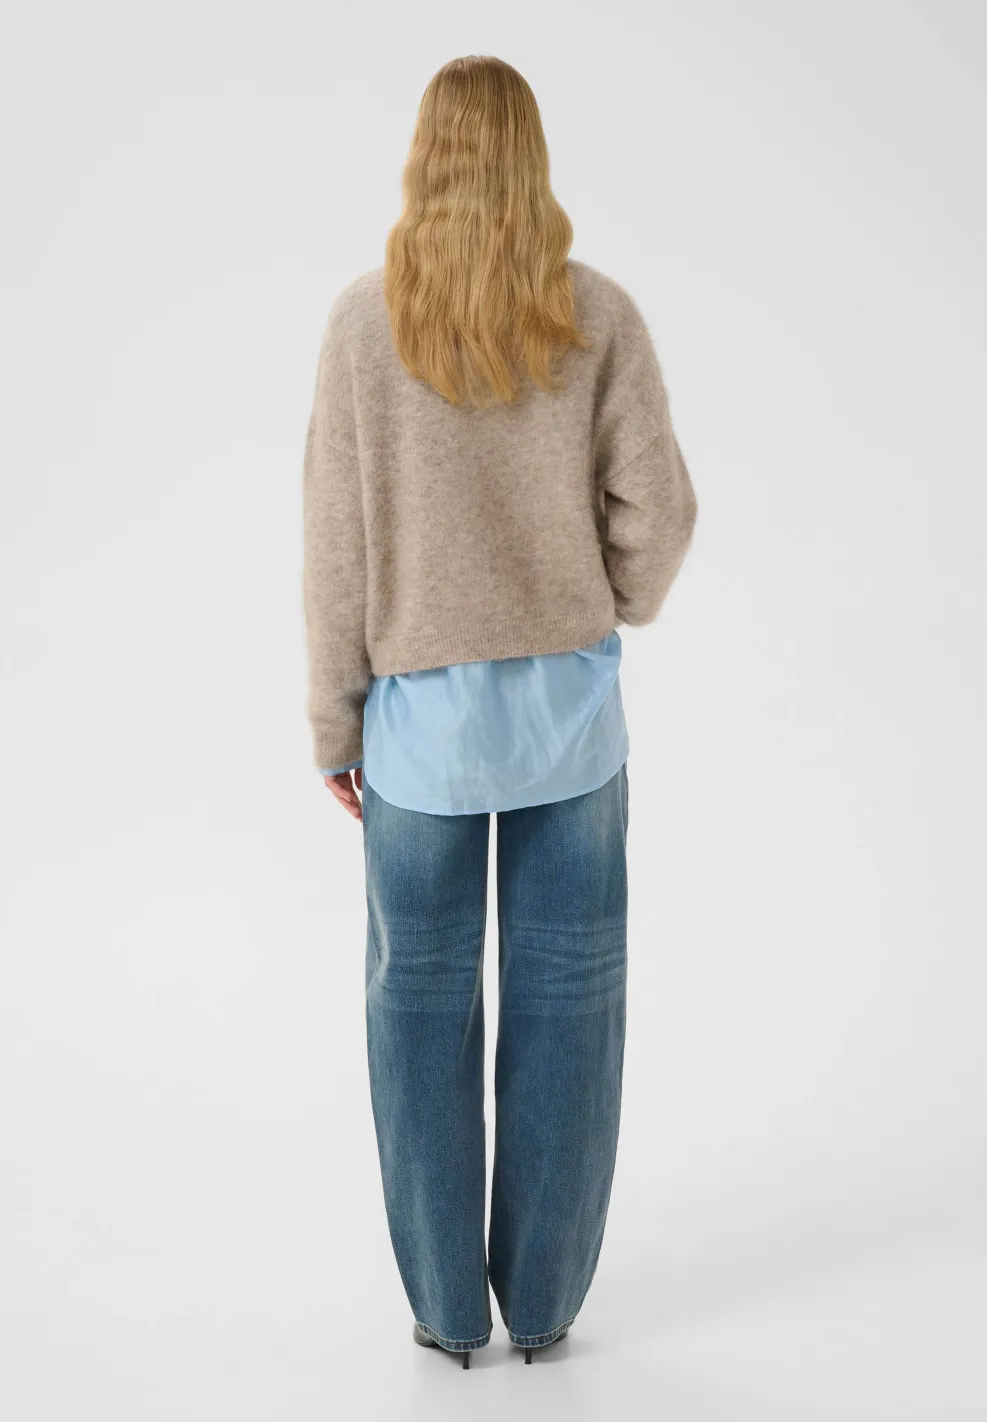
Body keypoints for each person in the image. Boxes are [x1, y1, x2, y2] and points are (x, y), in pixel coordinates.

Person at [301, 54, 697, 1369]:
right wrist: (604, 597)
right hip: (569, 725)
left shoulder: (365, 325)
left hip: (417, 733)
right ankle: (546, 1306)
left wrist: (335, 723)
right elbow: (661, 511)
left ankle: (444, 1309)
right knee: (571, 1002)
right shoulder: (596, 315)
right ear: (533, 158)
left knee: (416, 1007)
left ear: (426, 158)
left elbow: (337, 548)